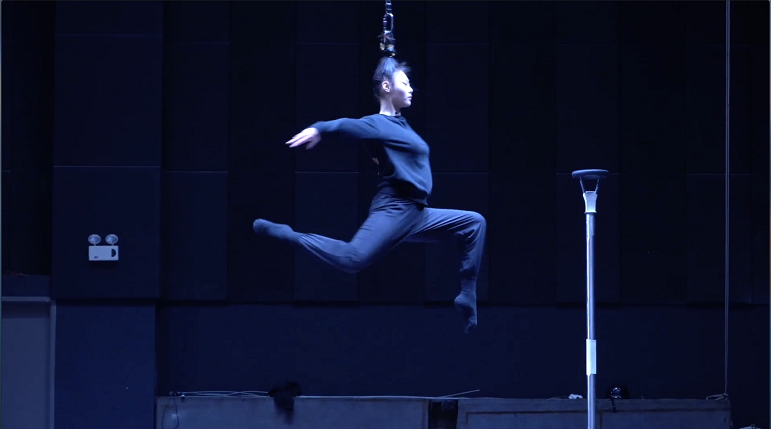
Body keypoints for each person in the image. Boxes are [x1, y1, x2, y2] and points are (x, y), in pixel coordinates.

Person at [253, 56, 487, 333]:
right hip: (394, 209)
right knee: (353, 259)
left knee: (474, 223)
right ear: (387, 87)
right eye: (405, 83)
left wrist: (389, 59)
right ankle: (287, 234)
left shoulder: (400, 124)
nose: (412, 88)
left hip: (418, 213)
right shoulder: (376, 124)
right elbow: (346, 125)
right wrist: (319, 128)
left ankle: (467, 294)